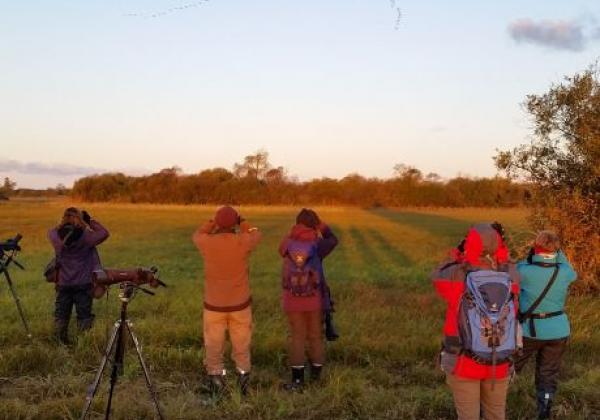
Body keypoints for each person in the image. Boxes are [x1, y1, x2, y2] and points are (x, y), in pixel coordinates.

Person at [432, 222, 520, 420]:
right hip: (501, 359)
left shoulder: (457, 276)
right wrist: (501, 249)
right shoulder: (510, 277)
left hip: (463, 361)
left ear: (469, 244)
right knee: (496, 414)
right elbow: (509, 263)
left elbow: (437, 274)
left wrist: (459, 251)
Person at [192, 206, 261, 395]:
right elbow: (256, 233)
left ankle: (216, 379)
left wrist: (213, 221)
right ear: (235, 223)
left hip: (214, 306)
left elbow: (197, 233)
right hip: (241, 305)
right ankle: (243, 378)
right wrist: (242, 221)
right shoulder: (244, 241)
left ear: (217, 223)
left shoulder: (206, 242)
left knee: (214, 344)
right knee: (242, 344)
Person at [514, 231, 577, 419]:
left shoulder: (523, 269)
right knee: (548, 374)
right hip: (558, 331)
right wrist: (558, 252)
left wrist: (531, 255)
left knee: (509, 367)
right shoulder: (564, 271)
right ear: (557, 250)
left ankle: (492, 402)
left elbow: (514, 273)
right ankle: (544, 411)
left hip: (529, 331)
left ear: (536, 247)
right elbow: (568, 266)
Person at [279, 208, 338, 391]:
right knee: (315, 337)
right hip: (315, 300)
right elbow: (333, 240)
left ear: (297, 223)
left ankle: (297, 380)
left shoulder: (287, 243)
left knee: (297, 337)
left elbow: (282, 252)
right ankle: (316, 378)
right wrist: (321, 226)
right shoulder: (317, 244)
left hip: (292, 300)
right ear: (314, 224)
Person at [48, 207, 109, 344]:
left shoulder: (55, 235)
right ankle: (83, 343)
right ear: (79, 218)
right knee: (84, 316)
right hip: (83, 282)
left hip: (63, 282)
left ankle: (60, 343)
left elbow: (50, 231)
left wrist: (63, 225)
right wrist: (89, 221)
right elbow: (104, 233)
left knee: (61, 314)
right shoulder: (86, 237)